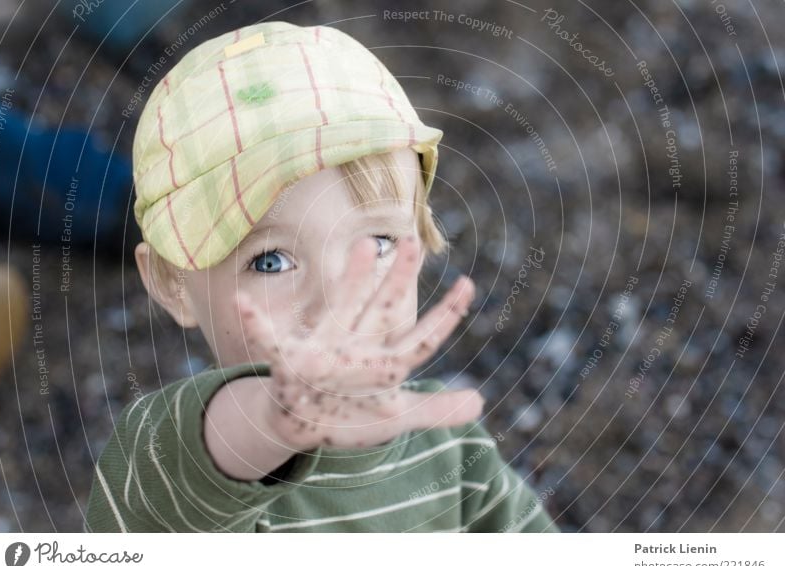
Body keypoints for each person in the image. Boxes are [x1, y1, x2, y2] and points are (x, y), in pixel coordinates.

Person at [84, 20, 559, 533]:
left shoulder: (454, 450)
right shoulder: (166, 464)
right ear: (173, 284)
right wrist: (273, 420)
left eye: (379, 243)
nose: (338, 300)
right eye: (271, 262)